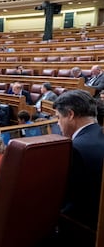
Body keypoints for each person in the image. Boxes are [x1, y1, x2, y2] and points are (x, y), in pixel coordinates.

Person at [53, 90, 104, 232]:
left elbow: (70, 198)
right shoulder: (100, 134)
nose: (57, 123)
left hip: (84, 227)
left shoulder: (75, 148)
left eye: (58, 117)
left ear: (70, 114)